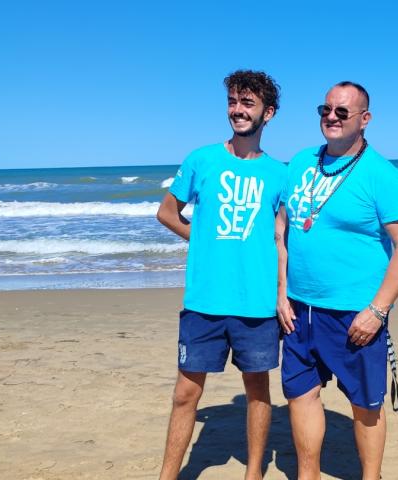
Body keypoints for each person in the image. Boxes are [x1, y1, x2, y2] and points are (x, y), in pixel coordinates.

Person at [275, 81, 398, 480]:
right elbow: (282, 233)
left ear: (364, 119)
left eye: (343, 111)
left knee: (365, 405)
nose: (332, 117)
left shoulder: (383, 175)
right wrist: (281, 292)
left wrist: (377, 311)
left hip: (355, 314)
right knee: (300, 395)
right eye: (326, 109)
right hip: (298, 309)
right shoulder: (301, 162)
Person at [157, 70, 285, 480]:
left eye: (247, 103)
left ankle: (254, 474)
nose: (238, 110)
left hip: (257, 302)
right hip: (204, 300)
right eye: (233, 102)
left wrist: (285, 294)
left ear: (269, 112)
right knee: (185, 394)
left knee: (257, 391)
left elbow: (284, 240)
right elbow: (166, 212)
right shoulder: (202, 159)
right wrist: (202, 239)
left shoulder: (280, 174)